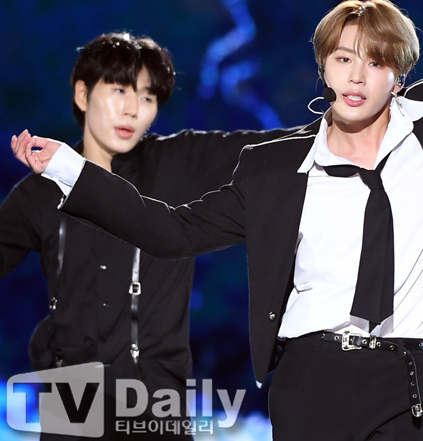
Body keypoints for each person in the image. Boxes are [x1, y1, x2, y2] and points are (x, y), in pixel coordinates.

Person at [13, 0, 423, 440]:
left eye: (375, 61)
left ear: (398, 74)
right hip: (308, 379)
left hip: (405, 375)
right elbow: (169, 230)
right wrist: (70, 170)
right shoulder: (275, 170)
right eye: (343, 59)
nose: (357, 76)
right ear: (324, 68)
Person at [2, 32, 291, 440]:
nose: (132, 109)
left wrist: (357, 119)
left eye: (148, 97)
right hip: (71, 407)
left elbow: (276, 149)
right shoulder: (38, 192)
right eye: (119, 90)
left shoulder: (180, 163)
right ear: (83, 94)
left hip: (157, 406)